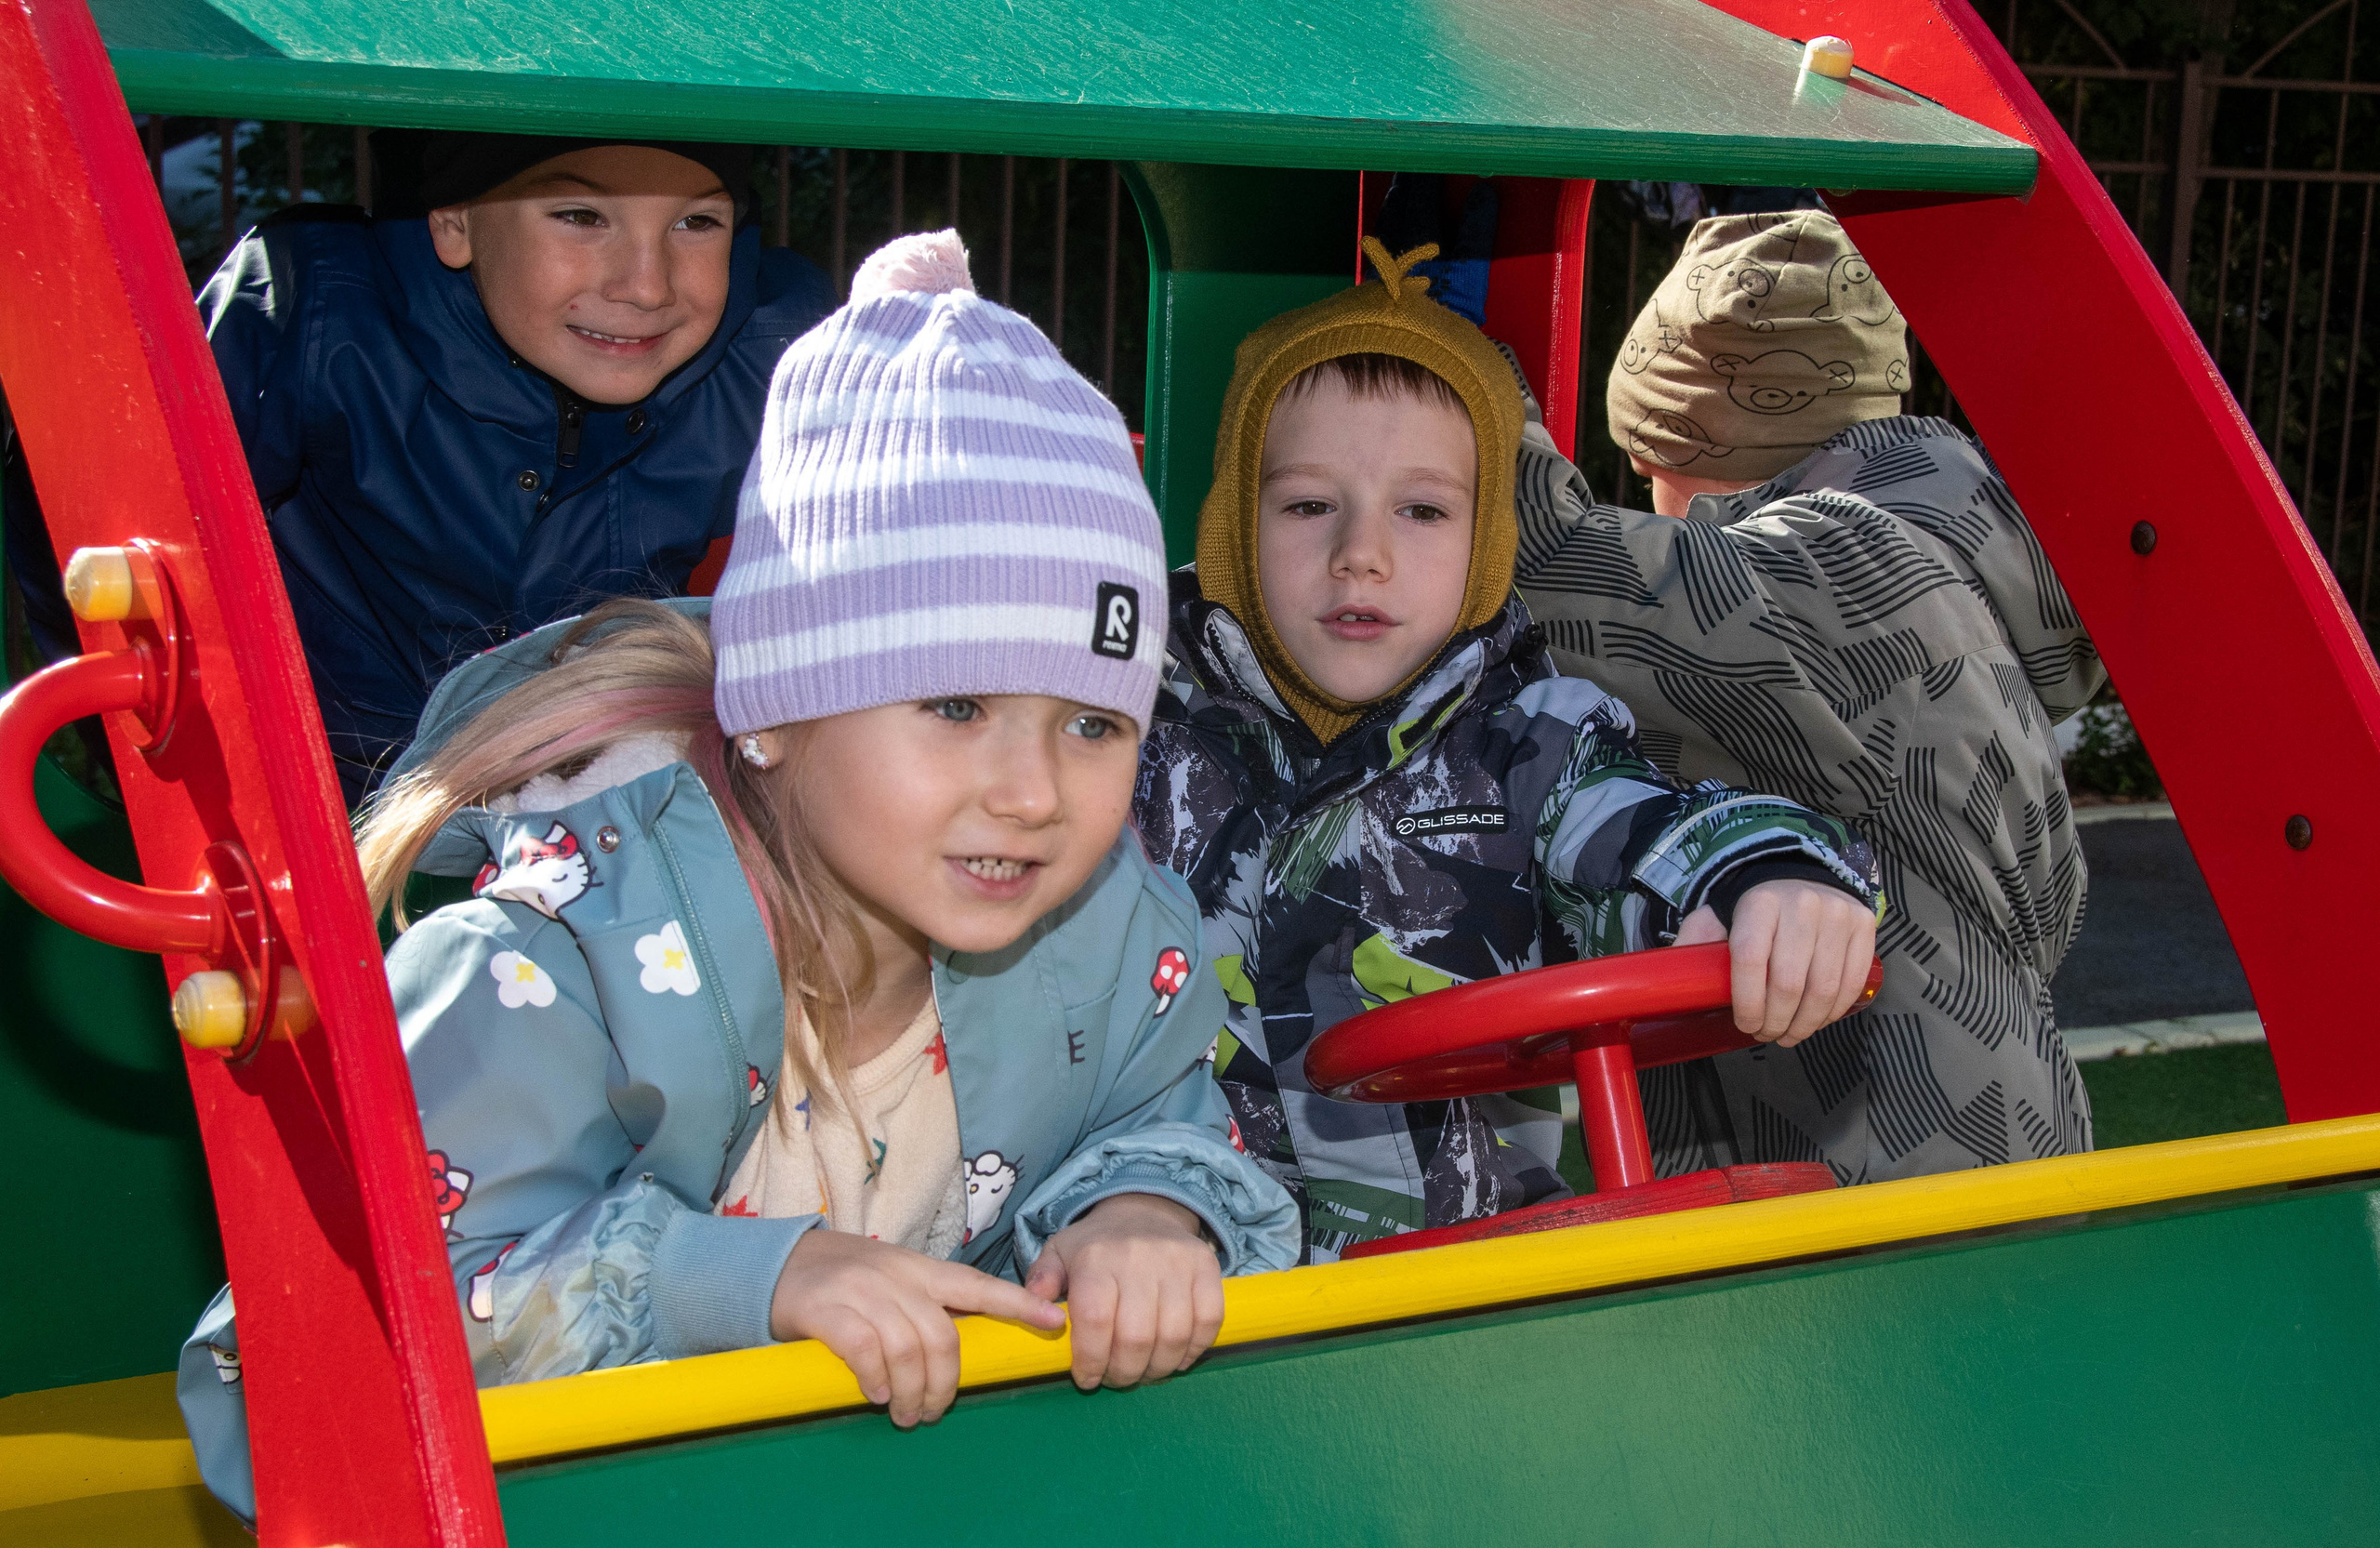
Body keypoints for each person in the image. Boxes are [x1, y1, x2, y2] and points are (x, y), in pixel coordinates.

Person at [176, 232, 1299, 1525]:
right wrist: (733, 1280)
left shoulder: (1101, 932)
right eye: (952, 703)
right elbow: (314, 1353)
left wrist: (1149, 1211)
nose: (1036, 791)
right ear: (774, 711)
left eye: (1093, 724)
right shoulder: (561, 957)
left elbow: (1160, 1114)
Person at [1132, 239, 1884, 1264]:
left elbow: (1652, 829)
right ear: (1231, 527)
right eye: (1308, 505)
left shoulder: (1533, 744)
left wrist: (1769, 875)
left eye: (1423, 510)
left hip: (1468, 1289)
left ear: (1485, 546)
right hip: (1185, 1293)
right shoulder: (1131, 736)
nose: (1363, 553)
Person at [1514, 209, 2105, 1182]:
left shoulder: (1840, 578)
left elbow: (1546, 566)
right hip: (1984, 1139)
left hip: (1891, 1181)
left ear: (1672, 451)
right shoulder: (1951, 567)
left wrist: (1438, 353)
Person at [5, 132, 835, 801]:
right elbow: (88, 515)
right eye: (581, 215)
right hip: (328, 797)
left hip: (600, 805)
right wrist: (139, 741)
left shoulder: (772, 351)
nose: (647, 284)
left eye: (698, 222)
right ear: (455, 221)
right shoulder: (321, 316)